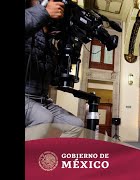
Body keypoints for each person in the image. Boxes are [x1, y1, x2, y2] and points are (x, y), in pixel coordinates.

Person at [25, 0, 84, 140]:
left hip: (42, 99)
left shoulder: (49, 43)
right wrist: (43, 12)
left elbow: (53, 79)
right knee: (43, 118)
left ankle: (50, 157)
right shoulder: (31, 25)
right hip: (26, 96)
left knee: (77, 124)